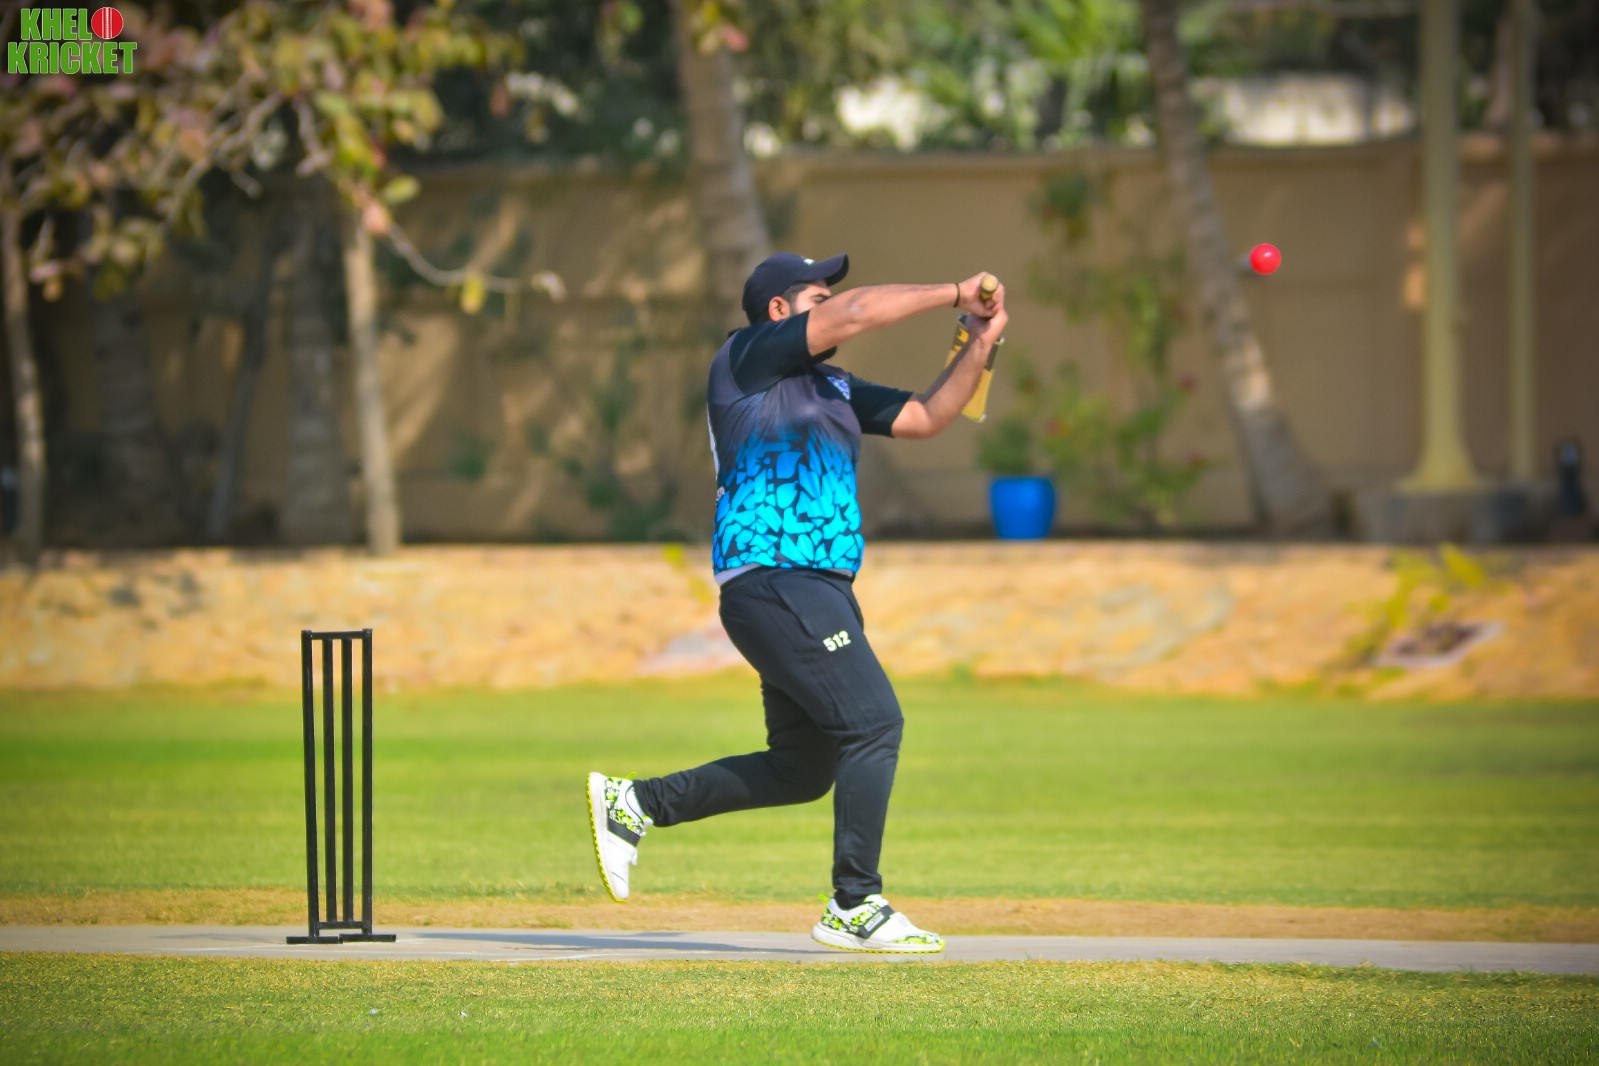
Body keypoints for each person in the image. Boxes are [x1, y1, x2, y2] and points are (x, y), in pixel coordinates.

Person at [588, 251, 1007, 954]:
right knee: (875, 724)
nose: (833, 303)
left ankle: (636, 803)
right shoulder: (747, 357)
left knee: (803, 768)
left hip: (816, 588)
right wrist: (953, 291)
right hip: (777, 578)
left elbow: (927, 416)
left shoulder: (832, 385)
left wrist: (979, 339)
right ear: (779, 310)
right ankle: (855, 904)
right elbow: (856, 312)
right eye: (818, 295)